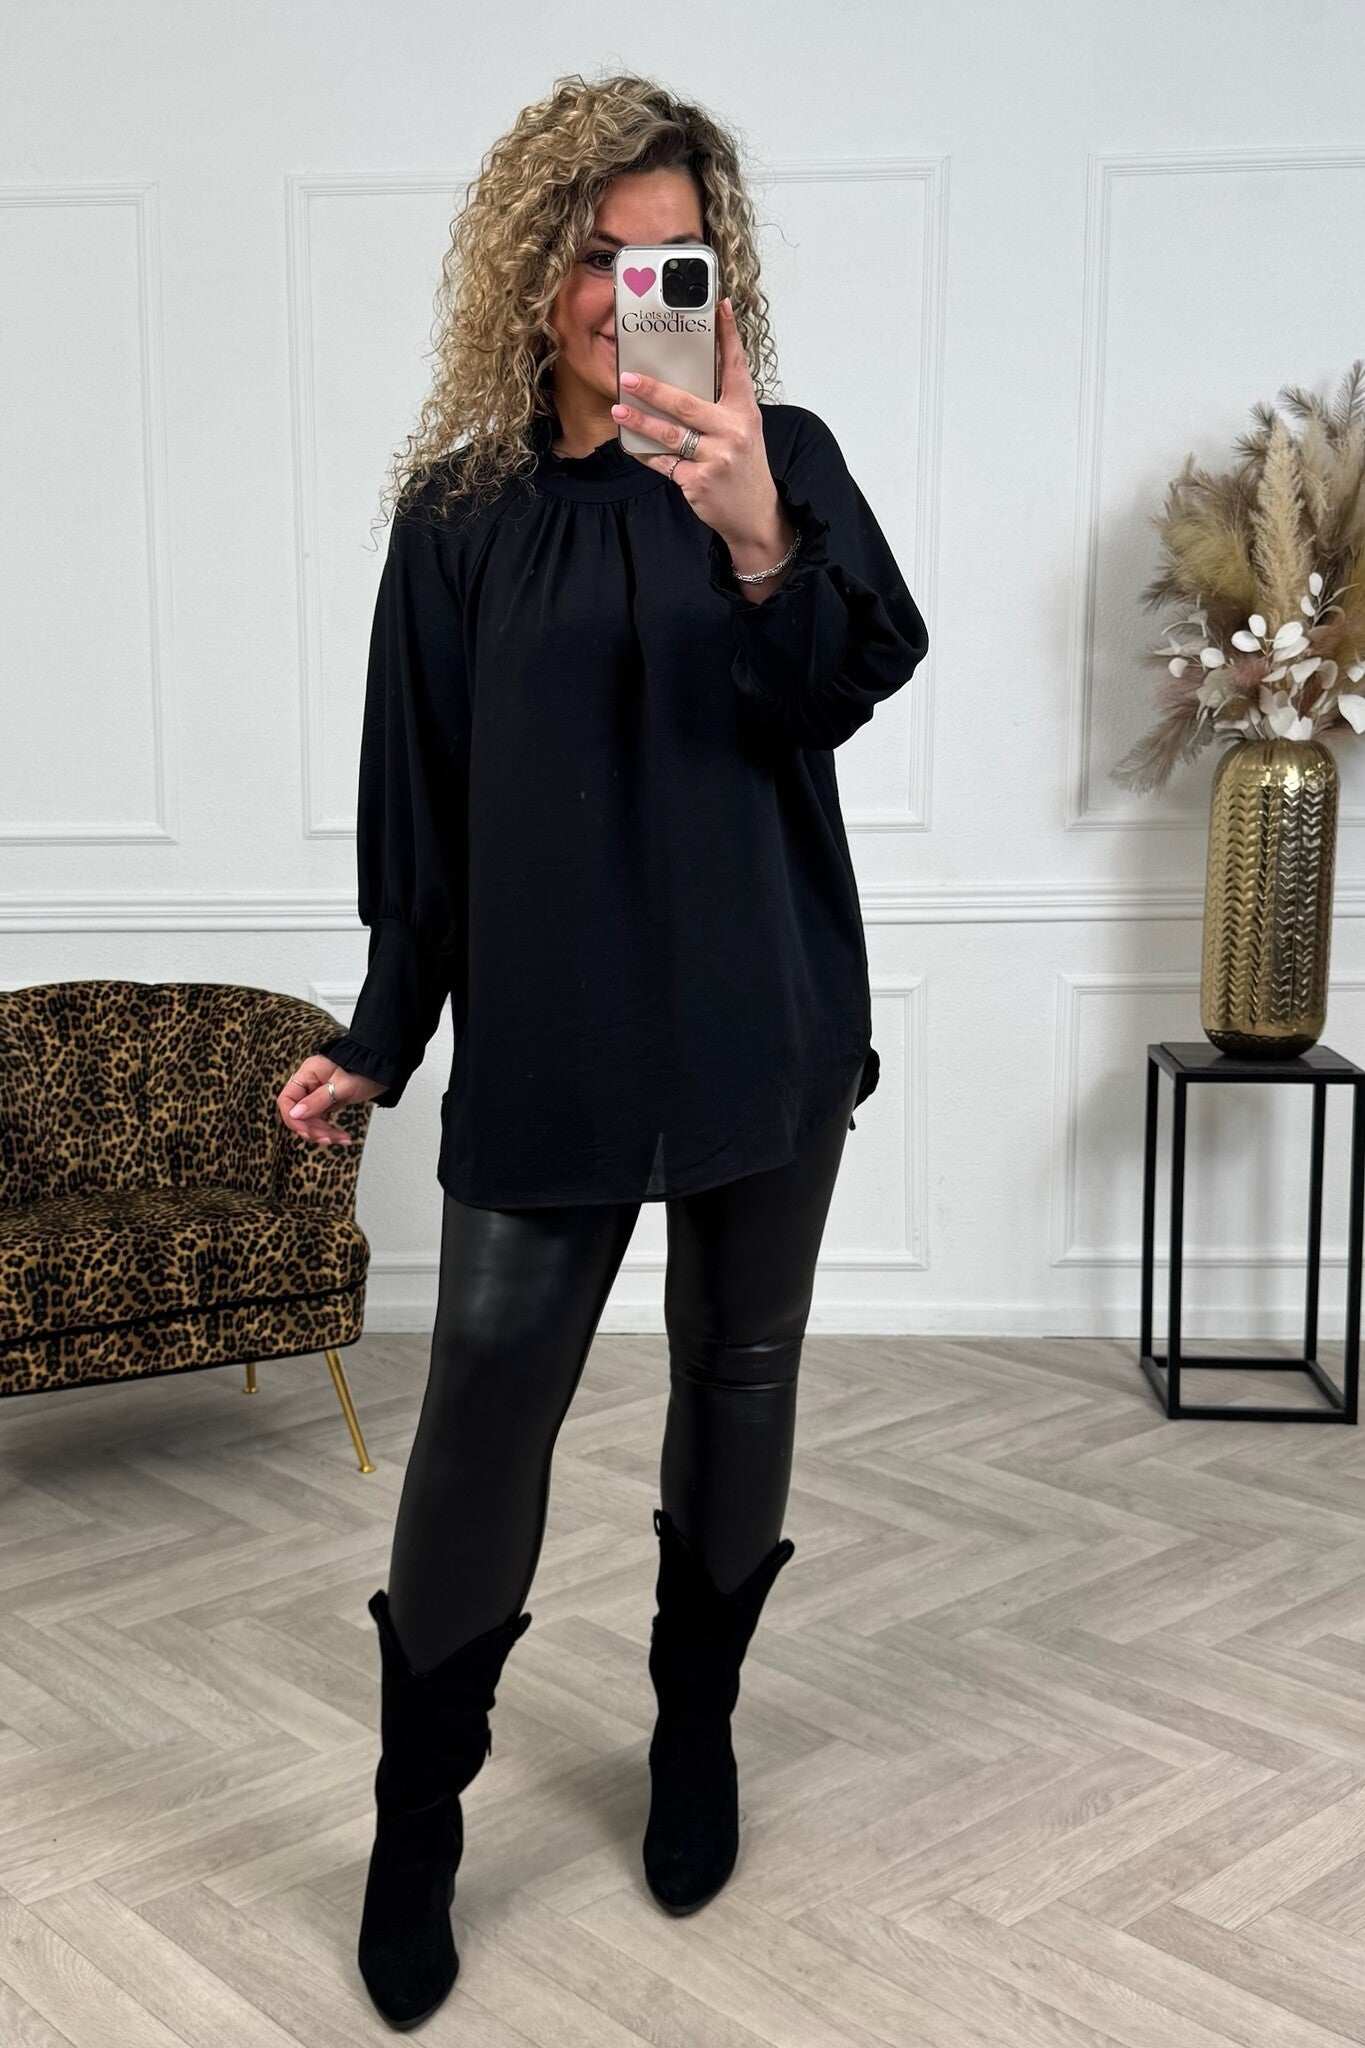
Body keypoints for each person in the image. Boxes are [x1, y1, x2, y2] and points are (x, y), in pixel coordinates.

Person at [276, 71, 928, 2031]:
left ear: (707, 277)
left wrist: (753, 532)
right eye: (589, 251)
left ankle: (692, 1727)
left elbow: (849, 676)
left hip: (762, 1016)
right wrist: (380, 1035)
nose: (619, 293)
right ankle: (415, 1818)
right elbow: (422, 808)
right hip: (555, 1031)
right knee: (485, 1403)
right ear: (528, 267)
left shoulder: (779, 458)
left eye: (665, 257)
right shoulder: (459, 517)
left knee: (739, 1374)